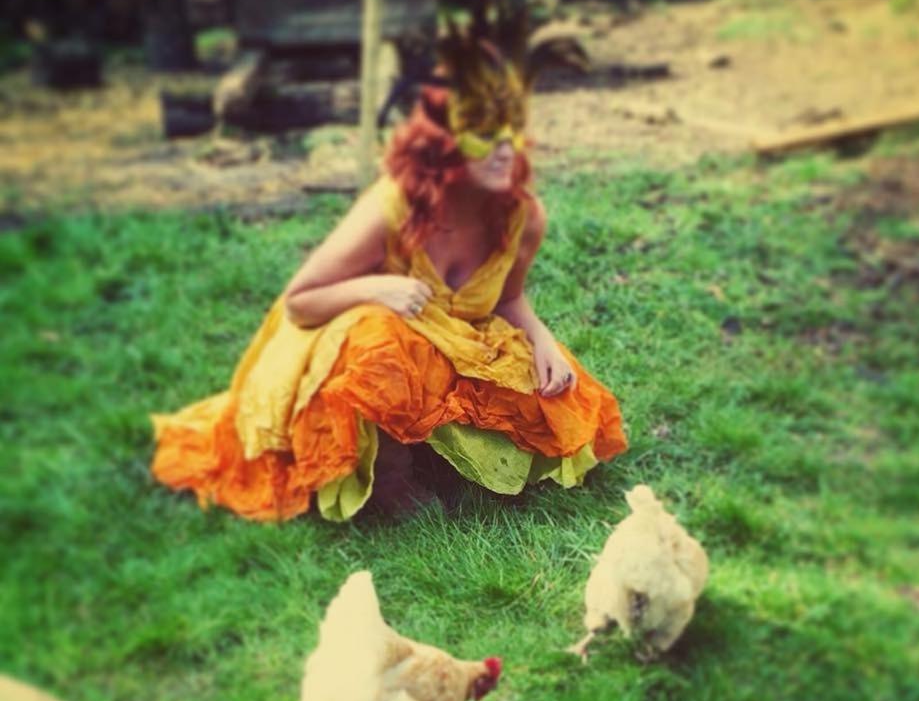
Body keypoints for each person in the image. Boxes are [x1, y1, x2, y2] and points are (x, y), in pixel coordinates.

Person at [150, 37, 627, 522]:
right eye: (485, 137)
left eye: (512, 135)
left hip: (452, 338)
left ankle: (428, 443)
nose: (505, 151)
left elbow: (509, 298)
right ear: (443, 145)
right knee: (381, 337)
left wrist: (543, 341)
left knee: (563, 397)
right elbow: (299, 303)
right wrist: (375, 288)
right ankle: (389, 476)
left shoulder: (521, 214)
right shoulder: (394, 205)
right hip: (340, 337)